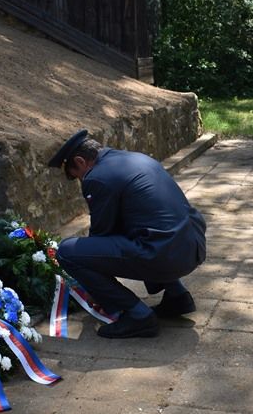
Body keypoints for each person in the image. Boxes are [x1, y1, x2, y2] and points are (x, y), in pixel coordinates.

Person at [50, 130, 207, 338]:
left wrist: (97, 289)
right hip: (192, 246)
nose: (80, 181)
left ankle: (138, 316)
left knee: (68, 252)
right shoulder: (135, 158)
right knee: (144, 229)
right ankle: (177, 297)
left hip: (165, 254)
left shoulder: (97, 177)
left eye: (76, 175)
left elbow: (101, 235)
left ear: (80, 161)